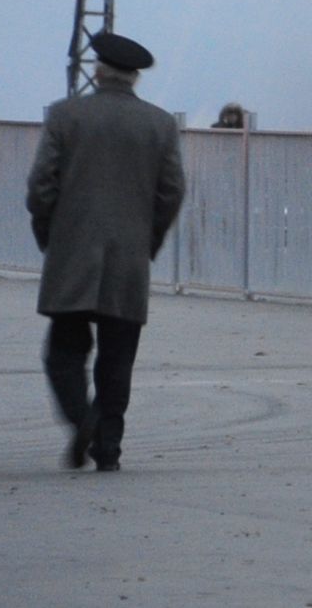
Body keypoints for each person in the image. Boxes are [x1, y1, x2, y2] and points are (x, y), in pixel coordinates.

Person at [26, 31, 185, 472]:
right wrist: (146, 241)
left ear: (97, 70)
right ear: (134, 77)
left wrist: (50, 236)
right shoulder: (159, 124)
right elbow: (171, 192)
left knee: (64, 351)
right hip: (128, 257)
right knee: (118, 358)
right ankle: (108, 448)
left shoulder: (66, 116)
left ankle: (83, 420)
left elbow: (41, 186)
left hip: (72, 253)